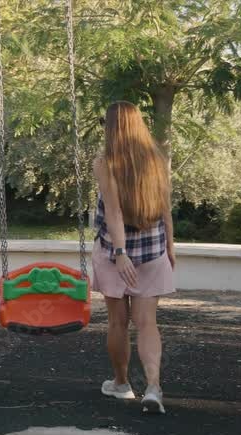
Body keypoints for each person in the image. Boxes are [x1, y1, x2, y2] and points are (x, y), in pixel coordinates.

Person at [92, 101, 176, 414]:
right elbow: (165, 208)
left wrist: (120, 253)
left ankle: (122, 384)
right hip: (153, 250)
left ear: (111, 127)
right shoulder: (156, 158)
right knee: (147, 323)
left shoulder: (106, 162)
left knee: (118, 322)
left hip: (116, 254)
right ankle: (153, 387)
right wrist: (170, 246)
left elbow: (113, 212)